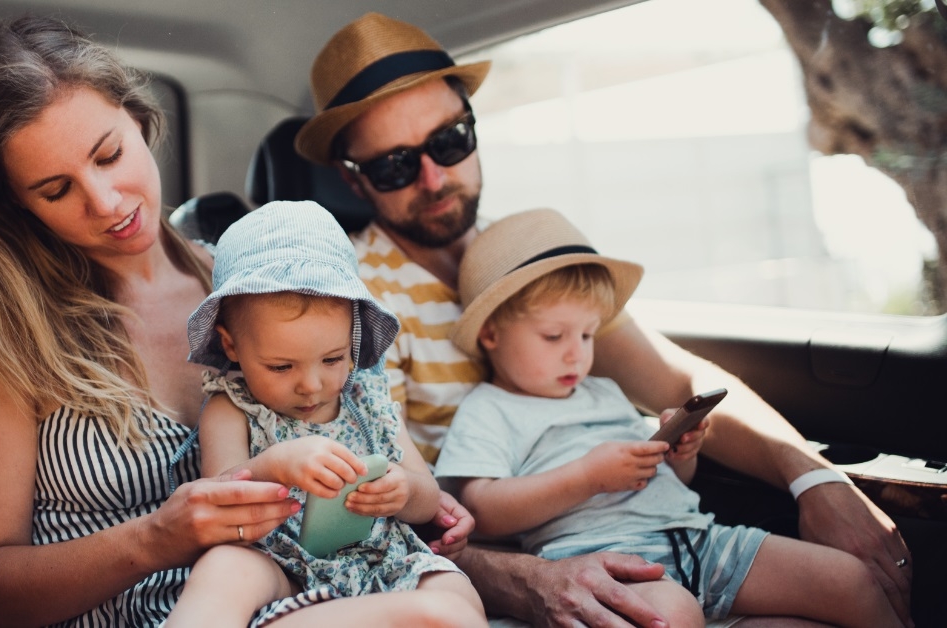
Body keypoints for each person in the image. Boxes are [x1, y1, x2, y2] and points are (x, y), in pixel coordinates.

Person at [292, 11, 914, 628]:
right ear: (353, 177)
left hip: (660, 539)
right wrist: (530, 579)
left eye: (450, 141)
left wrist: (815, 481)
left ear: (473, 126)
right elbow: (381, 512)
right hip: (510, 565)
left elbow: (678, 381)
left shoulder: (524, 254)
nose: (434, 178)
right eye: (395, 165)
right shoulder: (354, 303)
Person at [0, 16, 469, 628]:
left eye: (110, 154)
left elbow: (383, 490)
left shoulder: (261, 290)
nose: (106, 202)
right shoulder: (5, 333)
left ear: (139, 120)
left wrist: (432, 514)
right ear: (14, 205)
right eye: (56, 190)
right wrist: (156, 539)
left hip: (310, 601)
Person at [433, 208, 903, 628]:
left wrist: (679, 454)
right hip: (603, 558)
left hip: (700, 538)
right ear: (491, 333)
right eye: (554, 336)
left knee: (851, 580)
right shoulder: (488, 409)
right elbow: (482, 508)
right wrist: (586, 477)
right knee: (672, 616)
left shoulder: (601, 391)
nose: (577, 353)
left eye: (588, 334)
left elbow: (669, 483)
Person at [167, 200, 485, 627]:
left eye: (333, 359)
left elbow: (427, 496)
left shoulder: (368, 396)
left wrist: (402, 491)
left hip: (381, 560)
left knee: (455, 592)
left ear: (352, 337)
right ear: (230, 346)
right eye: (281, 367)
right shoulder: (231, 407)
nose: (312, 386)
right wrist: (274, 465)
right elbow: (217, 502)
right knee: (225, 566)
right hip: (282, 569)